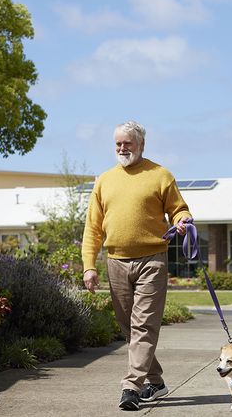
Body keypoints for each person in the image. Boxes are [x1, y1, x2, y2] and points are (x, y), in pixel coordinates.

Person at [82, 121, 191, 411]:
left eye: (127, 143)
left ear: (141, 145)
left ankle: (131, 387)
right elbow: (93, 228)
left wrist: (182, 220)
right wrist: (89, 266)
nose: (122, 148)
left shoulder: (160, 175)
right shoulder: (104, 180)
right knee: (129, 327)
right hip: (116, 261)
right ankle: (155, 381)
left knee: (143, 325)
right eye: (118, 143)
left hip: (152, 260)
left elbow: (178, 208)